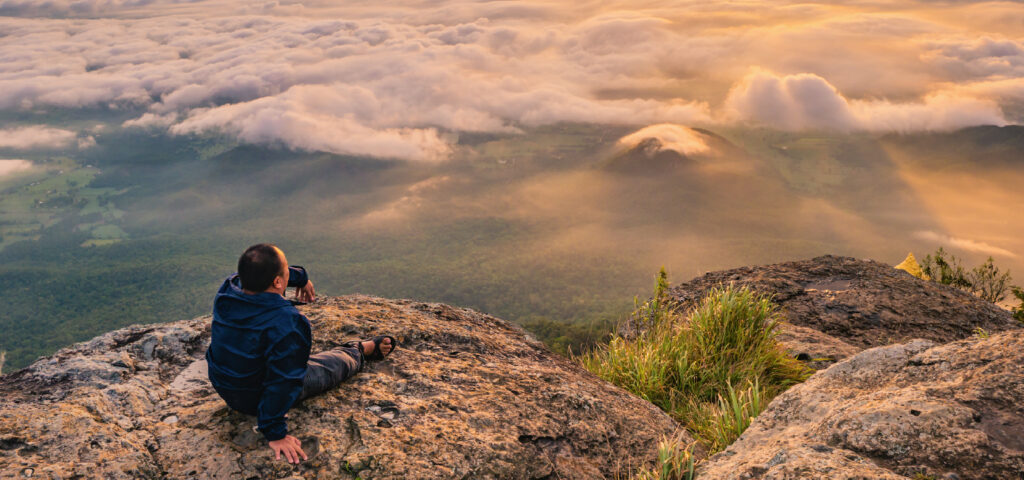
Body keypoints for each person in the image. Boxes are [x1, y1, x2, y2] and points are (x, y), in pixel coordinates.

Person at [205, 243, 395, 464]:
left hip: (224, 385)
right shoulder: (288, 322)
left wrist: (300, 278)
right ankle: (361, 350)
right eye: (287, 270)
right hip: (253, 398)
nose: (289, 273)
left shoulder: (228, 289)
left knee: (282, 358)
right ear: (277, 281)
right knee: (327, 368)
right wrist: (275, 434)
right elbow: (284, 382)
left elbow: (255, 274)